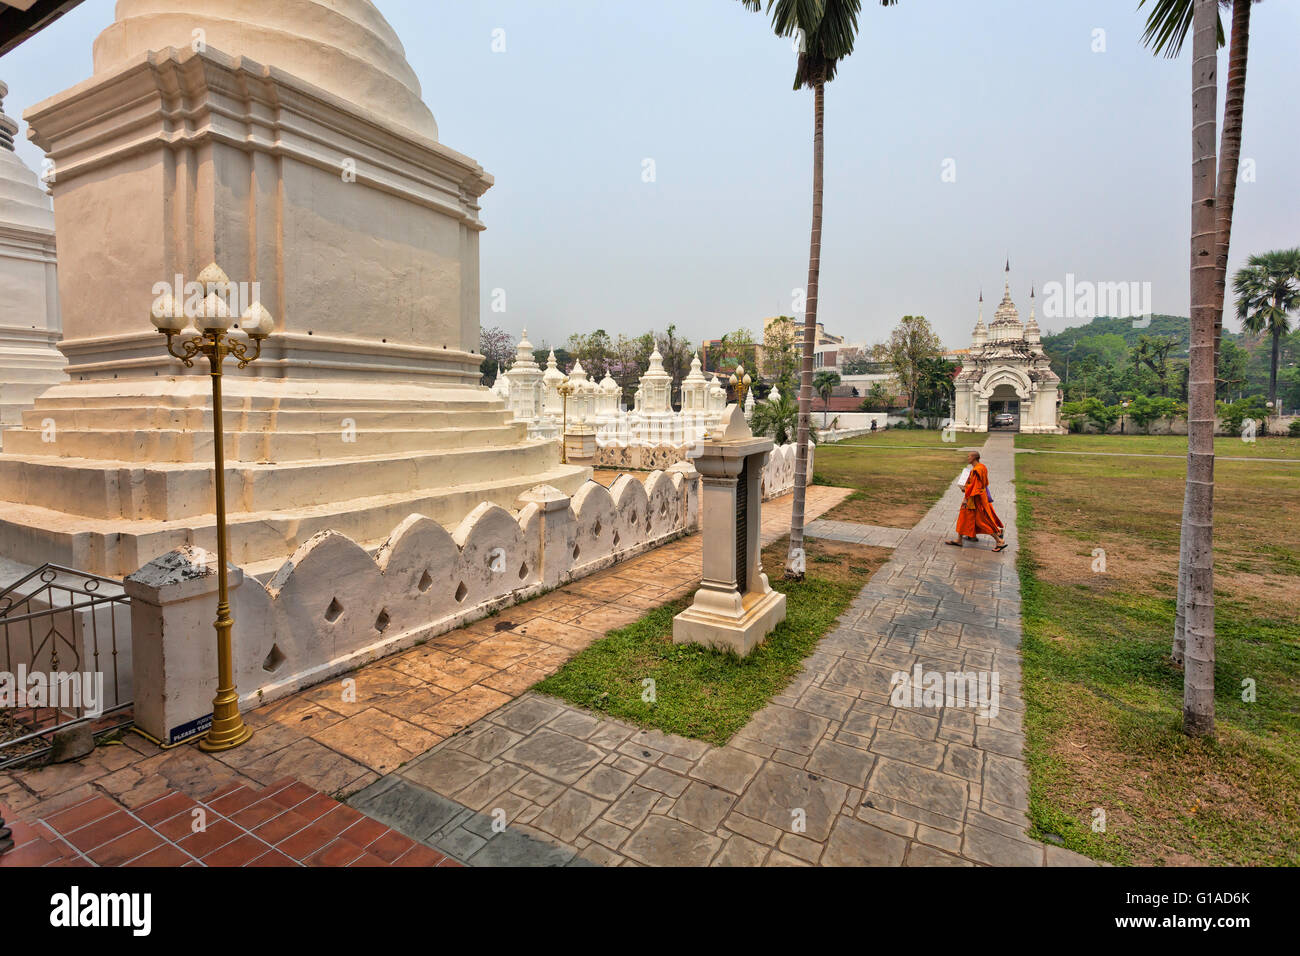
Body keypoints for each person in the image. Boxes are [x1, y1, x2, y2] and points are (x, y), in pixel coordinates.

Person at [946, 451, 1006, 551]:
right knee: (964, 517)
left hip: (974, 500)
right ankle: (960, 539)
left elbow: (975, 487)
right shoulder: (982, 467)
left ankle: (999, 540)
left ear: (974, 457)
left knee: (981, 521)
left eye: (969, 456)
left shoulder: (976, 471)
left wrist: (966, 496)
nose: (967, 458)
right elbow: (985, 483)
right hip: (978, 497)